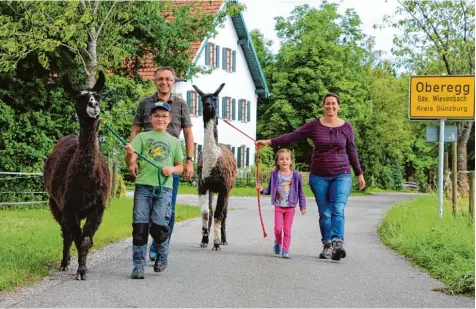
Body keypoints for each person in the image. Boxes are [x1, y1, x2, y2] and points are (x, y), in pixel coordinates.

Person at [256, 93, 365, 261]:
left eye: (333, 104)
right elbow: (293, 136)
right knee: (325, 213)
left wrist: (359, 173)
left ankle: (338, 243)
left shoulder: (346, 127)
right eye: (327, 104)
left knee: (337, 208)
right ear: (323, 106)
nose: (330, 106)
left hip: (342, 174)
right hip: (319, 176)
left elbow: (352, 150)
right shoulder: (314, 126)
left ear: (338, 106)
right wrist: (269, 141)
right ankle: (327, 245)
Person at [129, 66, 194, 271]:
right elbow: (135, 131)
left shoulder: (181, 105)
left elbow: (188, 134)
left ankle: (159, 249)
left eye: (168, 79)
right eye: (160, 79)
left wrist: (189, 161)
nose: (164, 82)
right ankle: (143, 251)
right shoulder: (144, 104)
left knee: (166, 211)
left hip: (170, 164)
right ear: (155, 81)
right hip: (147, 165)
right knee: (143, 213)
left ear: (173, 82)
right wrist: (132, 160)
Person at [125, 102, 184, 279]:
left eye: (164, 116)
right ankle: (138, 265)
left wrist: (171, 170)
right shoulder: (142, 137)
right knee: (140, 226)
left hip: (163, 188)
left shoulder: (174, 142)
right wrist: (129, 152)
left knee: (159, 225)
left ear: (170, 120)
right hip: (143, 186)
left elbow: (180, 166)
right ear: (150, 118)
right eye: (157, 115)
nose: (160, 119)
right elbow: (130, 161)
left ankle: (162, 254)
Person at [257, 148, 306, 259]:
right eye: (282, 159)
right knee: (278, 229)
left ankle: (285, 251)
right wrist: (261, 190)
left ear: (291, 161)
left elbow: (301, 192)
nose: (284, 161)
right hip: (279, 206)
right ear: (278, 162)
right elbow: (269, 190)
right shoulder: (275, 175)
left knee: (287, 229)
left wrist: (303, 206)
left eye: (287, 159)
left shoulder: (296, 175)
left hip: (290, 207)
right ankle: (278, 242)